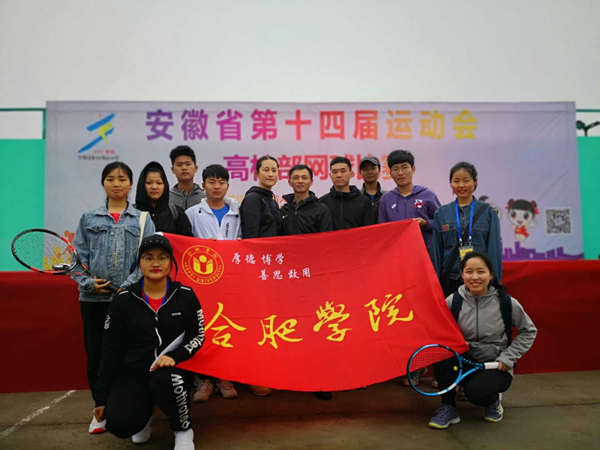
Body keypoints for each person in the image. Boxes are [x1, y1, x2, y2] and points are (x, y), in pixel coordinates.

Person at [93, 235, 203, 449]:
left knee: (168, 381)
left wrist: (175, 356)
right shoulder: (122, 301)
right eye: (148, 257)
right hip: (134, 373)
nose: (155, 263)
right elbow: (110, 350)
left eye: (162, 257)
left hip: (173, 371)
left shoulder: (186, 296)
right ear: (139, 263)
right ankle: (143, 417)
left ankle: (183, 429)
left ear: (171, 262)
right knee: (119, 424)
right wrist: (101, 397)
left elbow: (197, 336)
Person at [71, 161, 156, 435]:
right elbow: (76, 261)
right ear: (103, 183)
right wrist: (89, 283)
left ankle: (134, 412)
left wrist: (128, 288)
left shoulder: (142, 219)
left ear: (131, 184)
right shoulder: (89, 219)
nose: (116, 183)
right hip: (93, 302)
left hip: (130, 302)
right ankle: (100, 409)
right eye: (110, 178)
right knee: (97, 355)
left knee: (132, 356)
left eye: (121, 179)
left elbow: (149, 259)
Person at [428, 251, 537, 429]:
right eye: (469, 271)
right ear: (462, 275)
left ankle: (492, 400)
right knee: (442, 357)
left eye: (481, 271)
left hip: (494, 365)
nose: (475, 277)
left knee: (477, 393)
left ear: (491, 274)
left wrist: (508, 358)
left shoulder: (506, 303)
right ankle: (449, 407)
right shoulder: (453, 301)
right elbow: (439, 332)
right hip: (463, 361)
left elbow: (529, 331)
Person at [186, 164, 241, 402]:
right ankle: (204, 380)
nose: (216, 186)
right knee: (204, 330)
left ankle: (225, 378)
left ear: (228, 185)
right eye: (212, 182)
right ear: (203, 185)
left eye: (221, 182)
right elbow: (185, 247)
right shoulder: (192, 214)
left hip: (232, 283)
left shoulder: (238, 212)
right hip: (203, 283)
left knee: (228, 329)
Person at [239, 155, 281, 396]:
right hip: (259, 272)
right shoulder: (253, 199)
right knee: (258, 325)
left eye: (274, 170)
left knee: (271, 324)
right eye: (266, 170)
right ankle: (255, 377)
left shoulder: (271, 199)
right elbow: (251, 239)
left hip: (272, 272)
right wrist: (256, 273)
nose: (271, 174)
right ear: (257, 173)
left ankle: (269, 372)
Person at [431, 162, 502, 297]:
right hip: (449, 279)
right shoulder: (441, 213)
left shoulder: (489, 212)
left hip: (478, 279)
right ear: (450, 183)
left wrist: (494, 283)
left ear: (475, 181)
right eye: (456, 181)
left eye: (466, 180)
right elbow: (436, 250)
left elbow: (494, 249)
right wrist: (434, 284)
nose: (461, 185)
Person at [378, 150, 441, 252]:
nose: (400, 173)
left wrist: (426, 224)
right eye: (395, 169)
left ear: (413, 169)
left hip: (424, 253)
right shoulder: (386, 199)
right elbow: (382, 230)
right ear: (390, 173)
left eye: (404, 167)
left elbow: (442, 224)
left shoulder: (428, 195)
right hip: (396, 253)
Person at [135, 161, 193, 236]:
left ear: (165, 185)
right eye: (149, 183)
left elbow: (187, 241)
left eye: (159, 183)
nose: (154, 187)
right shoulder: (131, 213)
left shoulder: (177, 214)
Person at [320, 156, 375, 230]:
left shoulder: (364, 202)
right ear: (330, 175)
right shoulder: (322, 203)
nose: (339, 175)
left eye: (343, 171)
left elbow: (369, 231)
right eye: (334, 172)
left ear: (351, 174)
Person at [280, 164, 333, 236]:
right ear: (289, 182)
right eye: (296, 178)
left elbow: (326, 237)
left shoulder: (321, 210)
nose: (300, 181)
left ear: (311, 182)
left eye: (304, 178)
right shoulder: (284, 211)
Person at [169, 145, 206, 210]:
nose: (184, 168)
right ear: (173, 170)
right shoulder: (167, 198)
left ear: (195, 168)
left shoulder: (205, 198)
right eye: (179, 165)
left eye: (188, 164)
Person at [359, 156, 386, 224]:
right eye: (365, 169)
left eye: (373, 168)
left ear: (379, 170)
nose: (370, 172)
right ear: (360, 172)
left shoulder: (387, 196)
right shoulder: (357, 197)